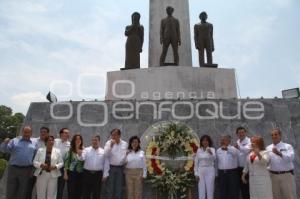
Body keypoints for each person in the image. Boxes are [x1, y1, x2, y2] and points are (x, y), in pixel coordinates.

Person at [0, 126, 37, 199]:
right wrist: (5, 143)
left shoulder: (34, 143)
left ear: (31, 133)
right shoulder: (14, 140)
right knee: (11, 189)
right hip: (13, 169)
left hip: (26, 170)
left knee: (23, 191)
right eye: (25, 132)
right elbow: (4, 150)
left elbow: (35, 157)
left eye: (28, 132)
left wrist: (33, 169)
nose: (26, 134)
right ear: (22, 132)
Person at [266, 128, 297, 199]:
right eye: (272, 135)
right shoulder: (268, 148)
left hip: (286, 176)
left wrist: (279, 153)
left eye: (276, 134)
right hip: (273, 176)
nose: (274, 136)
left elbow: (290, 158)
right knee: (275, 197)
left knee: (289, 196)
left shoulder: (287, 146)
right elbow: (267, 161)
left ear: (280, 135)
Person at [104, 128, 128, 199]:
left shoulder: (125, 144)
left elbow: (125, 156)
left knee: (119, 188)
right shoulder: (108, 143)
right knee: (110, 188)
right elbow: (105, 154)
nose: (113, 137)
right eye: (112, 135)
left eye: (115, 135)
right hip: (110, 168)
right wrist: (110, 147)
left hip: (120, 168)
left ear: (119, 135)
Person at [28, 126, 50, 199]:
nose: (43, 133)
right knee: (29, 188)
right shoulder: (33, 140)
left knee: (41, 189)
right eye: (41, 131)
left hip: (43, 169)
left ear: (48, 134)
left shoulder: (50, 142)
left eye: (45, 132)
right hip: (32, 168)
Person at [216, 134, 239, 199]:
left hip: (232, 173)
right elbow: (217, 162)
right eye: (221, 140)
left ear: (229, 141)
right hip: (222, 173)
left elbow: (235, 153)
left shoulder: (234, 149)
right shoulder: (218, 150)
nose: (222, 141)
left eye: (224, 140)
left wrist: (227, 149)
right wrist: (217, 174)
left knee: (233, 192)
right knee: (223, 191)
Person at [194, 135, 216, 199]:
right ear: (201, 142)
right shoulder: (199, 150)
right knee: (201, 189)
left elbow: (214, 159)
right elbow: (196, 162)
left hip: (210, 170)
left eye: (206, 140)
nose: (205, 142)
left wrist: (211, 153)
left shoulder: (212, 149)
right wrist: (196, 173)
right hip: (200, 170)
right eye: (203, 140)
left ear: (209, 142)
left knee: (210, 189)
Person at [64, 134, 84, 199]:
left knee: (79, 192)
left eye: (79, 139)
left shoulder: (84, 150)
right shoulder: (70, 150)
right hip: (72, 173)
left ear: (81, 141)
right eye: (76, 139)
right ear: (74, 141)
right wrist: (65, 174)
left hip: (81, 174)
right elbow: (66, 163)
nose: (78, 140)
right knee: (71, 191)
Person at [235, 127, 251, 199]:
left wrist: (239, 147)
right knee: (242, 188)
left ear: (245, 132)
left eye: (242, 132)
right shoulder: (238, 141)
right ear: (237, 134)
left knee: (247, 189)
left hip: (247, 169)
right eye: (239, 133)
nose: (241, 134)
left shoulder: (249, 141)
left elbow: (247, 150)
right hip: (239, 169)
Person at [55, 128, 71, 199]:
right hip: (53, 167)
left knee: (60, 188)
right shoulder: (55, 141)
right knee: (51, 188)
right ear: (61, 134)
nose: (67, 134)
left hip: (63, 169)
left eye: (68, 133)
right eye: (66, 133)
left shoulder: (70, 145)